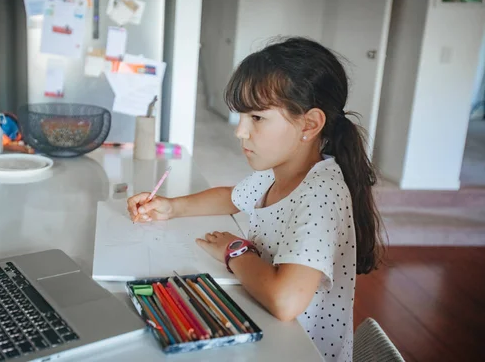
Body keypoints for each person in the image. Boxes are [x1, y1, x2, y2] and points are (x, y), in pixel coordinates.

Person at [127, 37, 384, 362]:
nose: (240, 132)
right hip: (265, 332)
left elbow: (286, 300)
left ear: (310, 124)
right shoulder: (279, 171)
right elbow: (231, 198)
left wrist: (235, 251)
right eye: (241, 117)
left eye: (257, 118)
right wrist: (171, 206)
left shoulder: (322, 192)